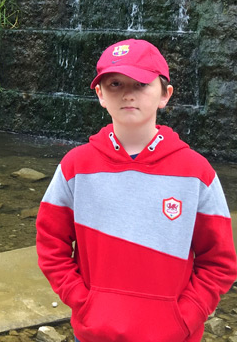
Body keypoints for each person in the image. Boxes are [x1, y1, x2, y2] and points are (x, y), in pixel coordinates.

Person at [36, 39, 237, 342]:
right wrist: (83, 302)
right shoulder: (75, 167)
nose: (128, 93)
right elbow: (51, 245)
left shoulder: (197, 173)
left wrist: (186, 316)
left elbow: (218, 261)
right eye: (115, 83)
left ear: (165, 95)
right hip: (94, 333)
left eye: (142, 83)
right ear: (100, 94)